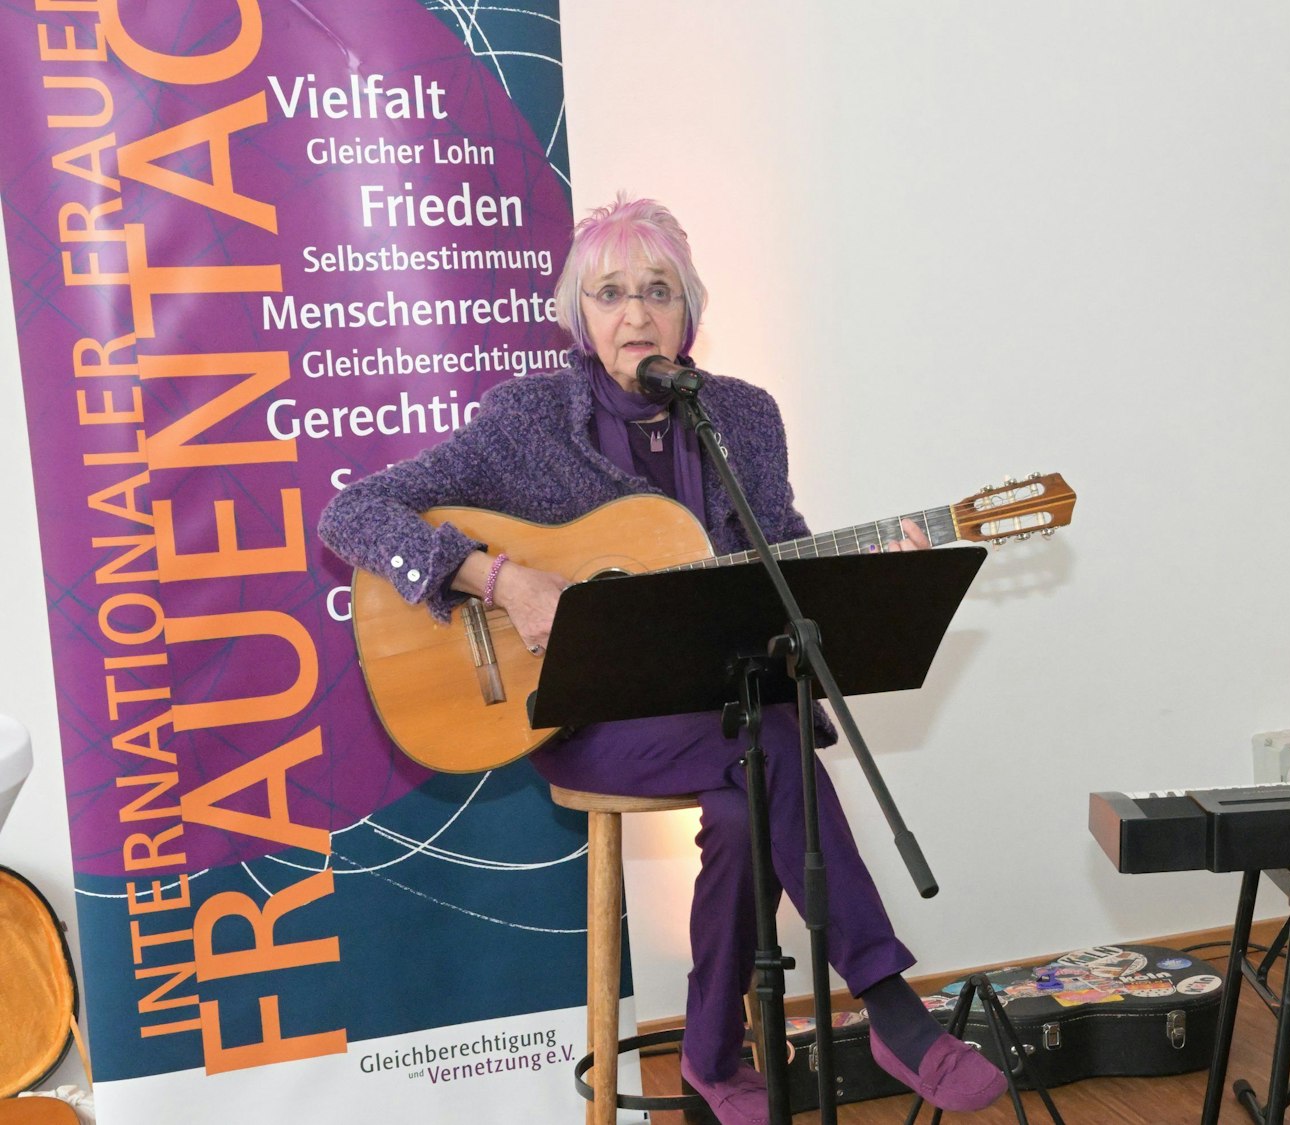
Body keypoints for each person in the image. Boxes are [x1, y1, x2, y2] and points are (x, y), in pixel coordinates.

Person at [318, 195, 1005, 1125]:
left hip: (721, 713)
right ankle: (889, 1008)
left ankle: (712, 1058)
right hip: (586, 716)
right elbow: (352, 514)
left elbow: (780, 555)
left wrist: (864, 570)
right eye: (610, 293)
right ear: (579, 316)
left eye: (658, 290)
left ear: (690, 312)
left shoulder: (743, 418)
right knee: (768, 742)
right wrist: (501, 579)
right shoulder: (526, 420)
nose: (635, 313)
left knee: (746, 790)